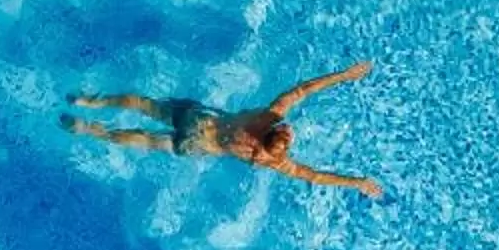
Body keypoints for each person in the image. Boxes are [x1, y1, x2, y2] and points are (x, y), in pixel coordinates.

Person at [63, 61, 381, 198]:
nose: (290, 131)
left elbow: (303, 89)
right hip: (196, 144)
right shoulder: (270, 160)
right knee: (142, 139)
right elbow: (315, 176)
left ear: (277, 129)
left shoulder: (269, 115)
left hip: (197, 118)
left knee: (142, 104)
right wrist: (357, 183)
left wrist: (344, 75)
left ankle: (90, 102)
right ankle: (90, 129)